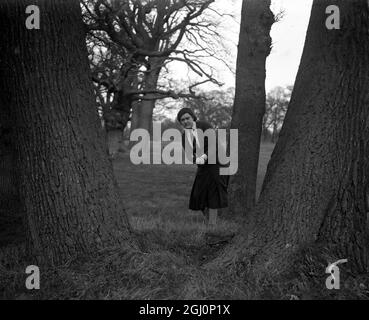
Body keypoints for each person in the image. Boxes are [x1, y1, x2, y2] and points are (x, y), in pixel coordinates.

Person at [177, 107, 229, 227]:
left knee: (214, 193)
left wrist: (204, 157)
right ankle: (208, 218)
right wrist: (197, 159)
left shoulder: (204, 125)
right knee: (198, 193)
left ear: (192, 117)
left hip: (217, 162)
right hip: (203, 166)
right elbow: (190, 154)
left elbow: (214, 144)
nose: (185, 121)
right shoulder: (184, 135)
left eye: (187, 118)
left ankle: (212, 224)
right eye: (182, 120)